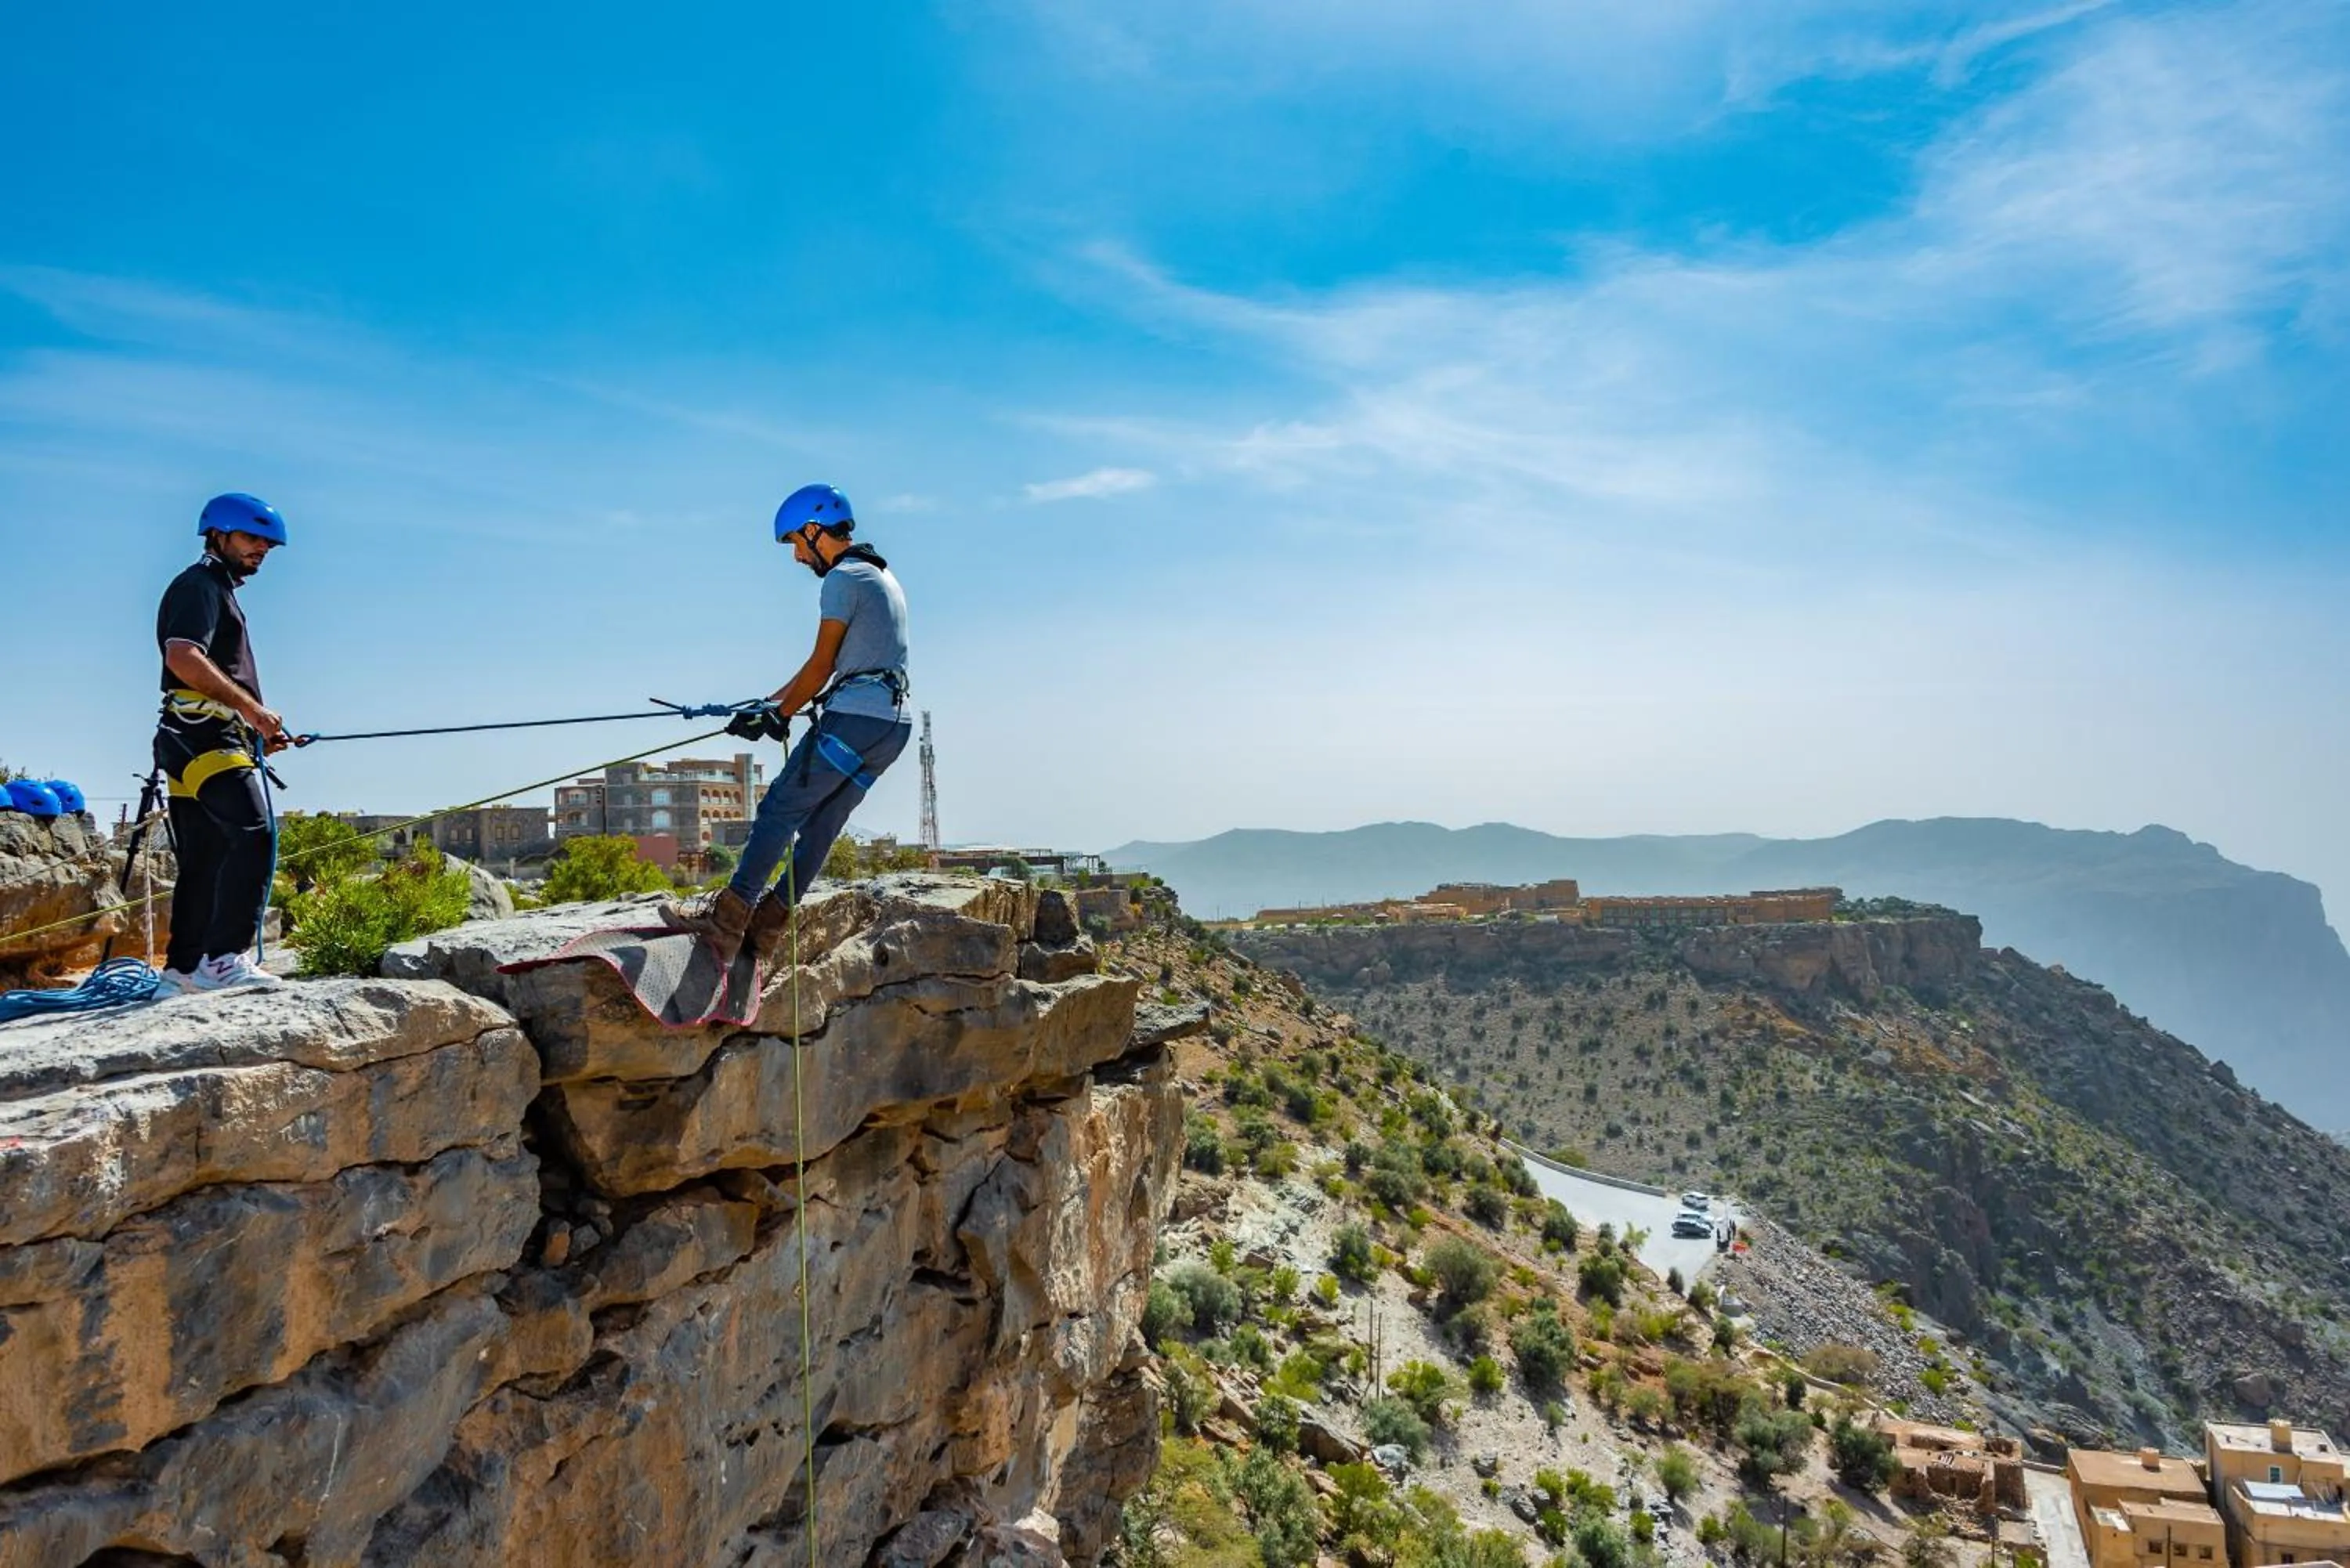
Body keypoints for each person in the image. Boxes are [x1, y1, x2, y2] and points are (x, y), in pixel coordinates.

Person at [661, 483, 913, 959]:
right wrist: (768, 707)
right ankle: (769, 926)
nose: (798, 557)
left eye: (798, 542)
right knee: (820, 827)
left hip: (855, 719)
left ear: (816, 530)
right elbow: (832, 667)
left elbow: (822, 666)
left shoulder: (842, 580)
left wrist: (781, 713)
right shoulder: (880, 576)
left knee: (779, 809)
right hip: (889, 728)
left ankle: (727, 921)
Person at [153, 493, 295, 994]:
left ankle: (182, 971)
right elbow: (184, 658)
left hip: (192, 735)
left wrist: (255, 727)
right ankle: (223, 959)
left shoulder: (214, 589)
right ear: (219, 534)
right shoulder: (200, 585)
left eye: (268, 544)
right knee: (254, 835)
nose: (262, 549)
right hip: (203, 735)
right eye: (252, 538)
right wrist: (254, 711)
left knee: (207, 855)